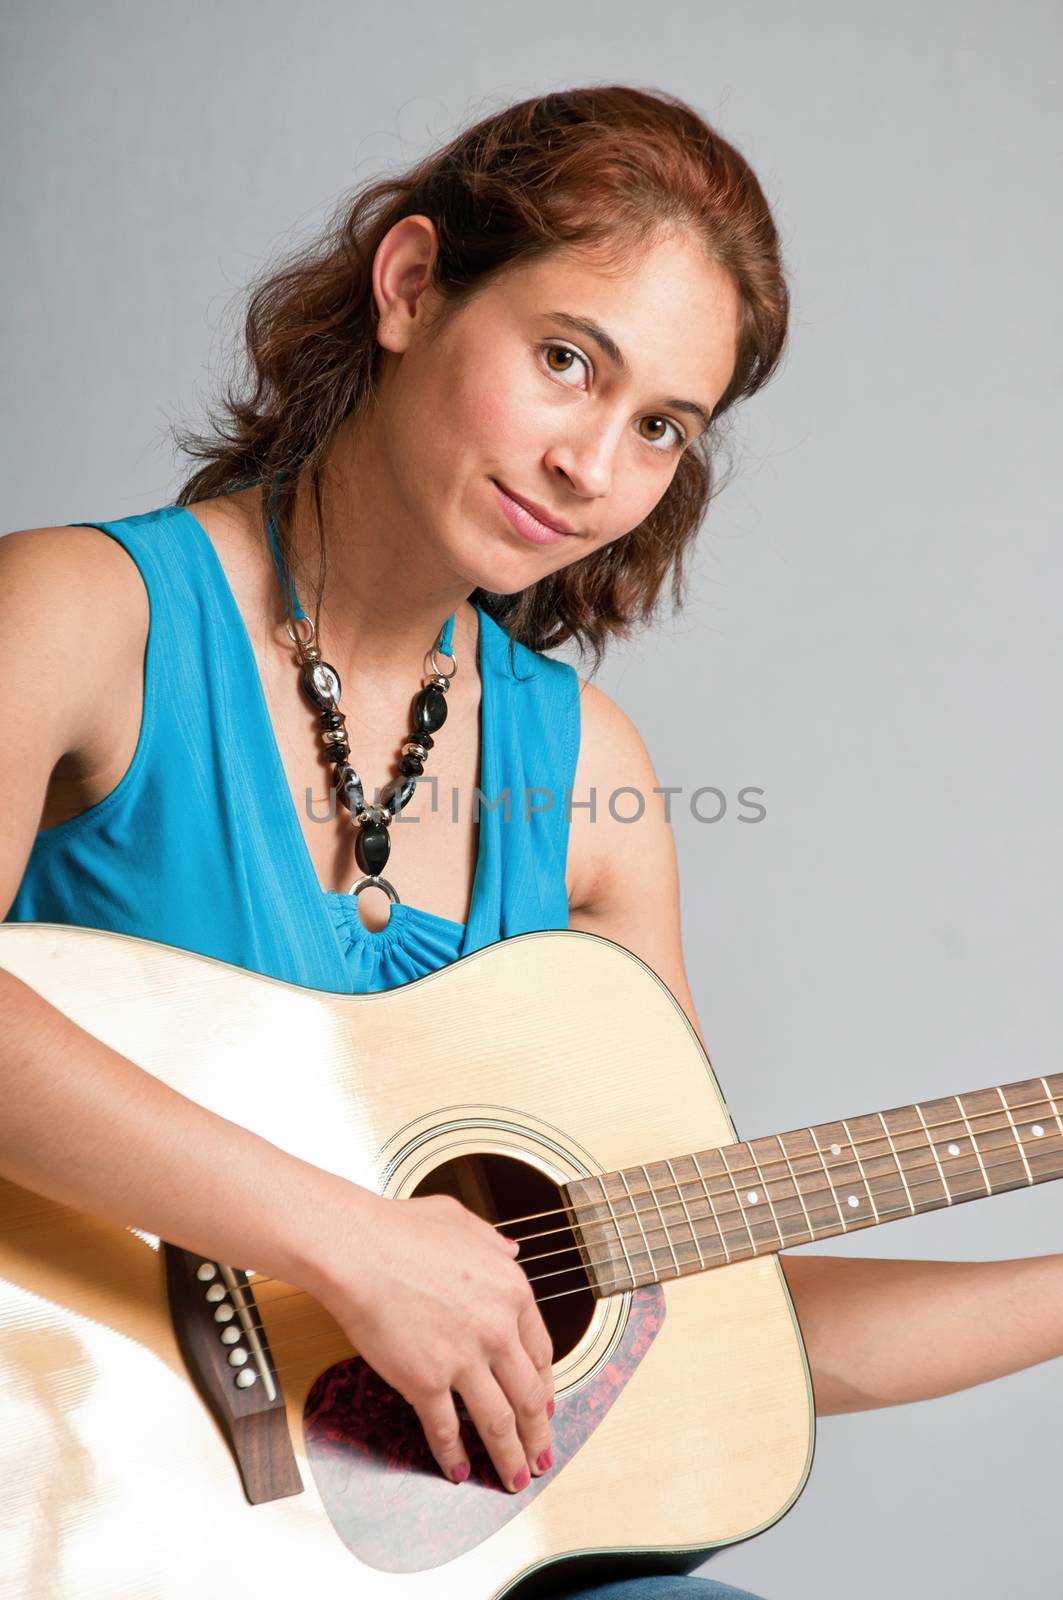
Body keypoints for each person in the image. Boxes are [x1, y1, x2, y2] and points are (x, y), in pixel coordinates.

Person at [1, 85, 1060, 1600]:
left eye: (660, 429)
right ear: (413, 285)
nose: (593, 468)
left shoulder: (586, 788)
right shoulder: (76, 616)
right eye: (567, 361)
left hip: (403, 1551)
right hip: (72, 1496)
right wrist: (354, 1247)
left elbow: (708, 1327)